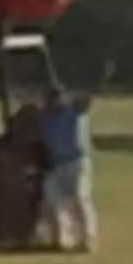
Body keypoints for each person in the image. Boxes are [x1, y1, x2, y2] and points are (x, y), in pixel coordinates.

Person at [35, 87, 97, 253]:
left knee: (80, 198)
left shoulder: (74, 113)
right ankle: (64, 238)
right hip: (56, 165)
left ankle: (88, 239)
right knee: (53, 199)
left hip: (77, 161)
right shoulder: (46, 118)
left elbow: (86, 100)